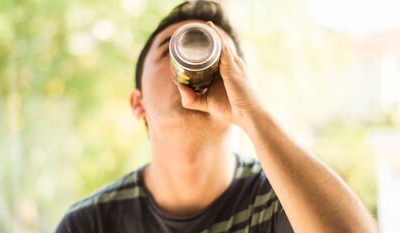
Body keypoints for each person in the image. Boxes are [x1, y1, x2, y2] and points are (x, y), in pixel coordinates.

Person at [55, 1, 378, 232]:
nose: (191, 58)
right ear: (137, 103)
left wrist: (251, 113)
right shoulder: (90, 223)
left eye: (214, 51)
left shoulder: (283, 199)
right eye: (171, 50)